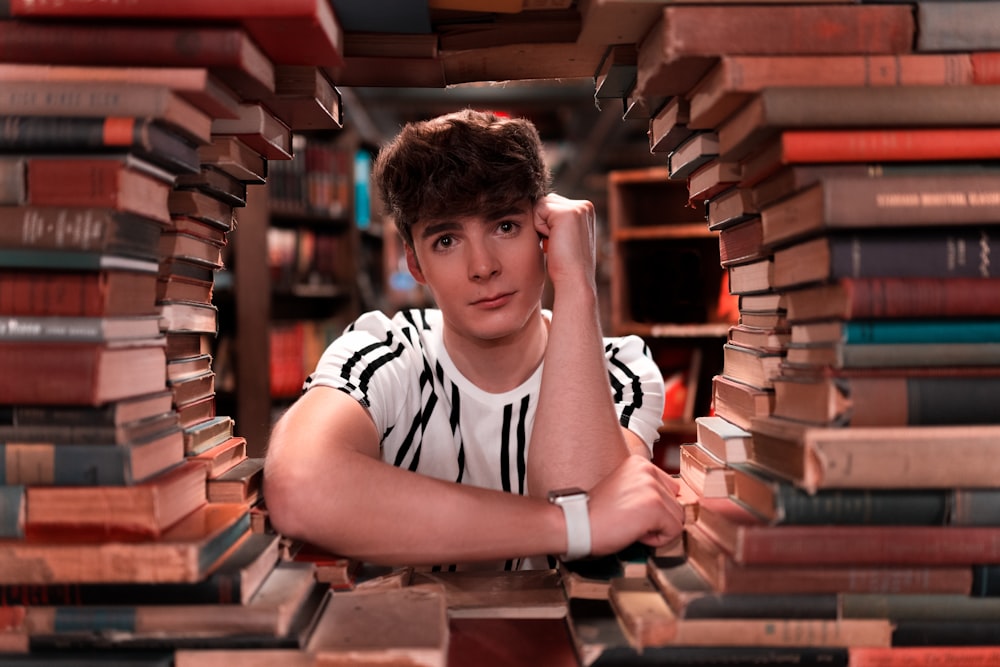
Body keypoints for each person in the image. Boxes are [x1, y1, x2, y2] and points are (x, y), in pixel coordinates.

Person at [263, 109, 684, 570]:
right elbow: (300, 487)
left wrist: (576, 282)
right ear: (415, 264)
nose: (482, 266)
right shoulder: (381, 352)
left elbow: (584, 505)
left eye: (505, 226)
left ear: (544, 233)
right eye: (446, 240)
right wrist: (569, 527)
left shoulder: (619, 370)